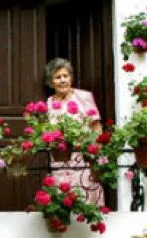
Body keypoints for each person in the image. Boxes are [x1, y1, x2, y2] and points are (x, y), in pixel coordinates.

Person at [45, 57, 105, 206]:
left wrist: (97, 154)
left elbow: (96, 126)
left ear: (71, 78)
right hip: (60, 160)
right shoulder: (50, 102)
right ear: (51, 82)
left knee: (86, 198)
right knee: (63, 198)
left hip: (83, 158)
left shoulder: (83, 97)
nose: (62, 80)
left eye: (65, 76)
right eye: (57, 77)